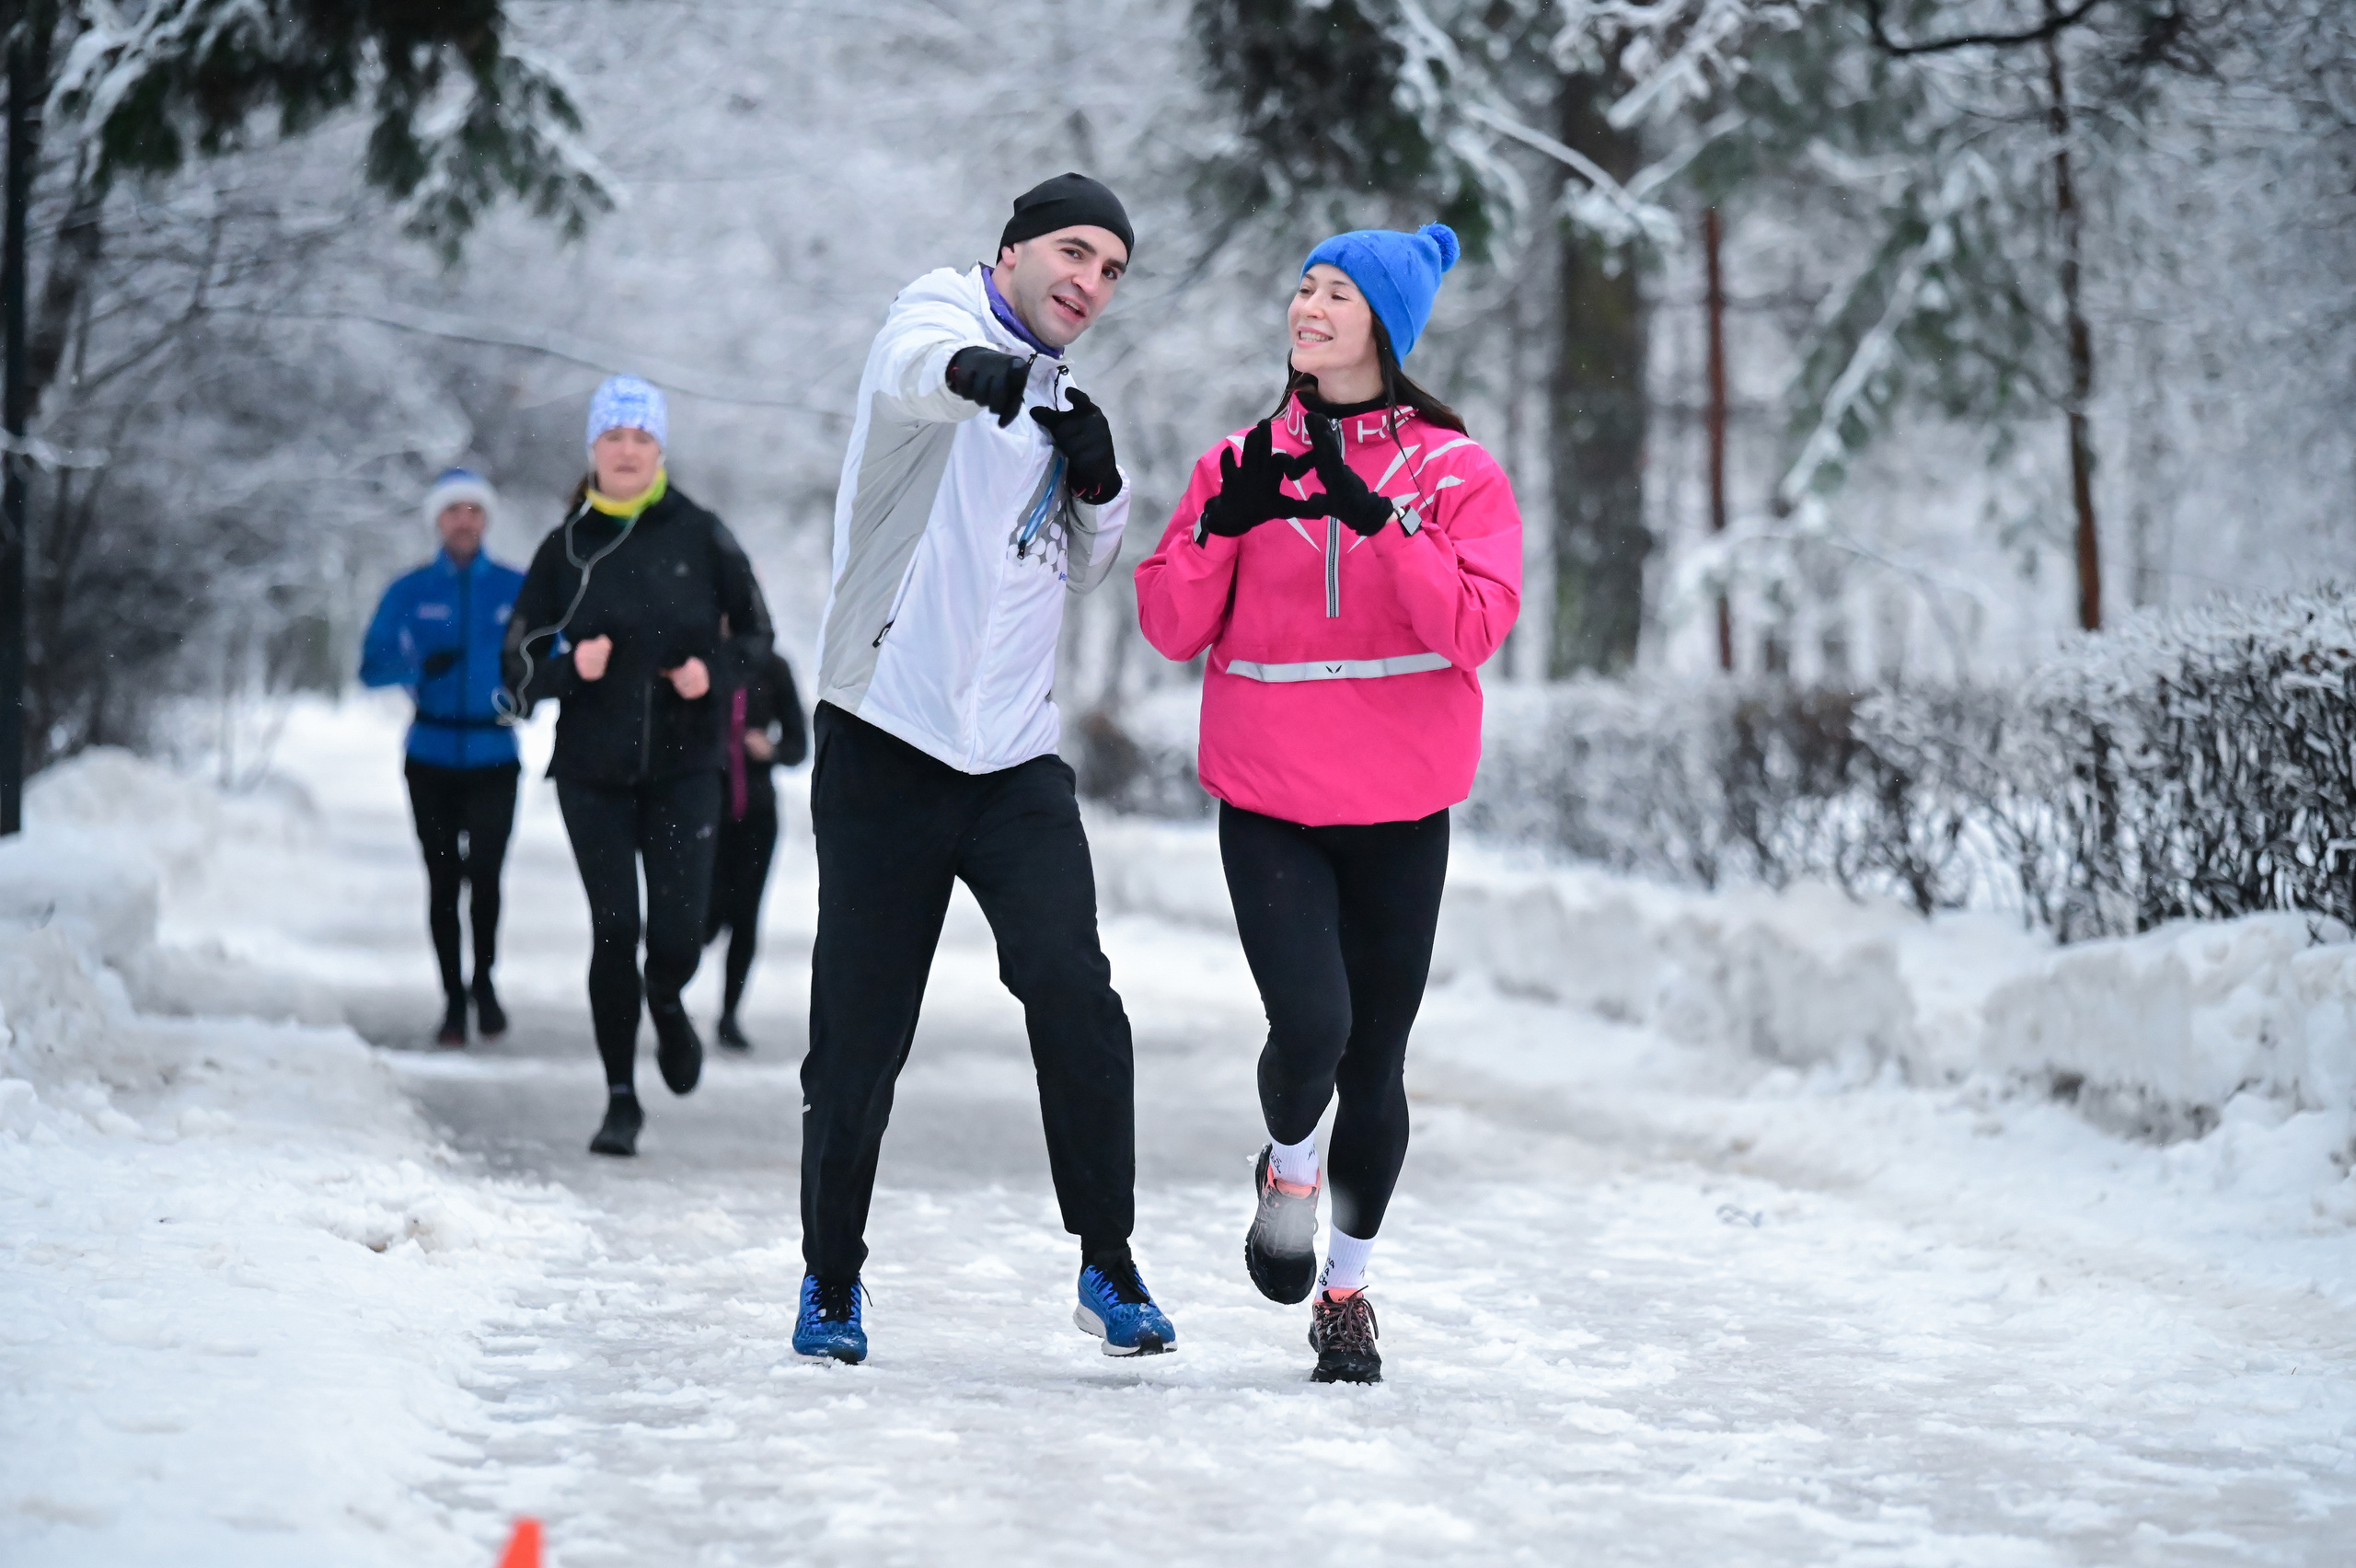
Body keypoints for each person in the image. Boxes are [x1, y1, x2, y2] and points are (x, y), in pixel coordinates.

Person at [792, 173, 1171, 1366]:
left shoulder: (1060, 393)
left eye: (1111, 271)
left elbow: (1085, 562)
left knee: (1075, 991)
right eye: (1074, 252)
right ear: (1010, 252)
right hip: (886, 735)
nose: (1090, 283)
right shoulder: (935, 320)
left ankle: (1108, 1262)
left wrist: (1102, 481)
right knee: (861, 1028)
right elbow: (915, 367)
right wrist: (976, 373)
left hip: (1012, 760)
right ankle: (831, 1280)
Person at [1134, 223, 1521, 1383]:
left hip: (1402, 805)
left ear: (1385, 326)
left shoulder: (1455, 473)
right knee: (1311, 1030)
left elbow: (1474, 627)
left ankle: (1344, 1292)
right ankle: (1288, 1168)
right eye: (1303, 286)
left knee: (1377, 1059)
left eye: (1338, 292)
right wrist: (1221, 525)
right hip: (1270, 795)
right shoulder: (1238, 461)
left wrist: (1380, 524)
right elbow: (1169, 626)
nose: (1308, 306)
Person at [502, 375, 774, 1159]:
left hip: (687, 766)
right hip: (592, 771)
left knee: (679, 935)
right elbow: (515, 667)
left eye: (641, 438)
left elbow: (758, 637)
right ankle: (620, 1098)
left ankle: (668, 997)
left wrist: (712, 673)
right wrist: (568, 669)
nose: (627, 451)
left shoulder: (702, 534)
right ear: (593, 448)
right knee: (616, 926)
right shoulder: (566, 547)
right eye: (614, 437)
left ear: (660, 449)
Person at [360, 467, 527, 1047]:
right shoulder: (410, 591)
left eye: (474, 511)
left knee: (486, 876)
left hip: (494, 753)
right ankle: (453, 1001)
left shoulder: (513, 588)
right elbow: (370, 666)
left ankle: (485, 982)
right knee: (442, 880)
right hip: (430, 754)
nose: (464, 521)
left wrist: (526, 684)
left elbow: (553, 654)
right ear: (437, 520)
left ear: (486, 520)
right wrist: (416, 666)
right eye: (454, 511)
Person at [703, 645, 807, 1052]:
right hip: (702, 815)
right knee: (705, 918)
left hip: (756, 818)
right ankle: (663, 980)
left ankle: (729, 1014)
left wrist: (772, 749)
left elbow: (799, 745)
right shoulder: (699, 658)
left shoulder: (772, 667)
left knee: (745, 918)